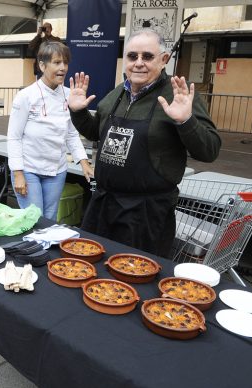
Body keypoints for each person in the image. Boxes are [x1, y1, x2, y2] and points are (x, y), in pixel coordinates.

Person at [68, 29, 221, 257]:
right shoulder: (116, 95)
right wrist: (78, 112)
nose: (138, 63)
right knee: (91, 266)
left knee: (137, 278)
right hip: (103, 204)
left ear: (164, 60)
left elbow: (209, 150)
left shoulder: (178, 95)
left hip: (146, 213)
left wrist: (186, 121)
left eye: (147, 57)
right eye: (132, 56)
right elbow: (95, 132)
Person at [8, 41, 93, 221]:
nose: (62, 67)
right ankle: (31, 249)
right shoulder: (26, 96)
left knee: (50, 218)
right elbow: (14, 137)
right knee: (34, 219)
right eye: (56, 62)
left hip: (57, 170)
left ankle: (45, 250)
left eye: (65, 63)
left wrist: (84, 162)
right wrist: (18, 173)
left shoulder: (70, 94)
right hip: (29, 168)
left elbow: (71, 133)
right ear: (42, 65)